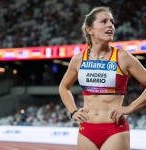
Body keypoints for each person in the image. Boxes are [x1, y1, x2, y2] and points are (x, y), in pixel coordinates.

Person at [59, 6, 146, 150]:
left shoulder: (123, 57)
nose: (110, 25)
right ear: (90, 29)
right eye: (103, 22)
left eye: (111, 22)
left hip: (115, 130)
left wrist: (130, 108)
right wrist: (73, 111)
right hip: (86, 130)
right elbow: (63, 87)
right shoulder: (79, 59)